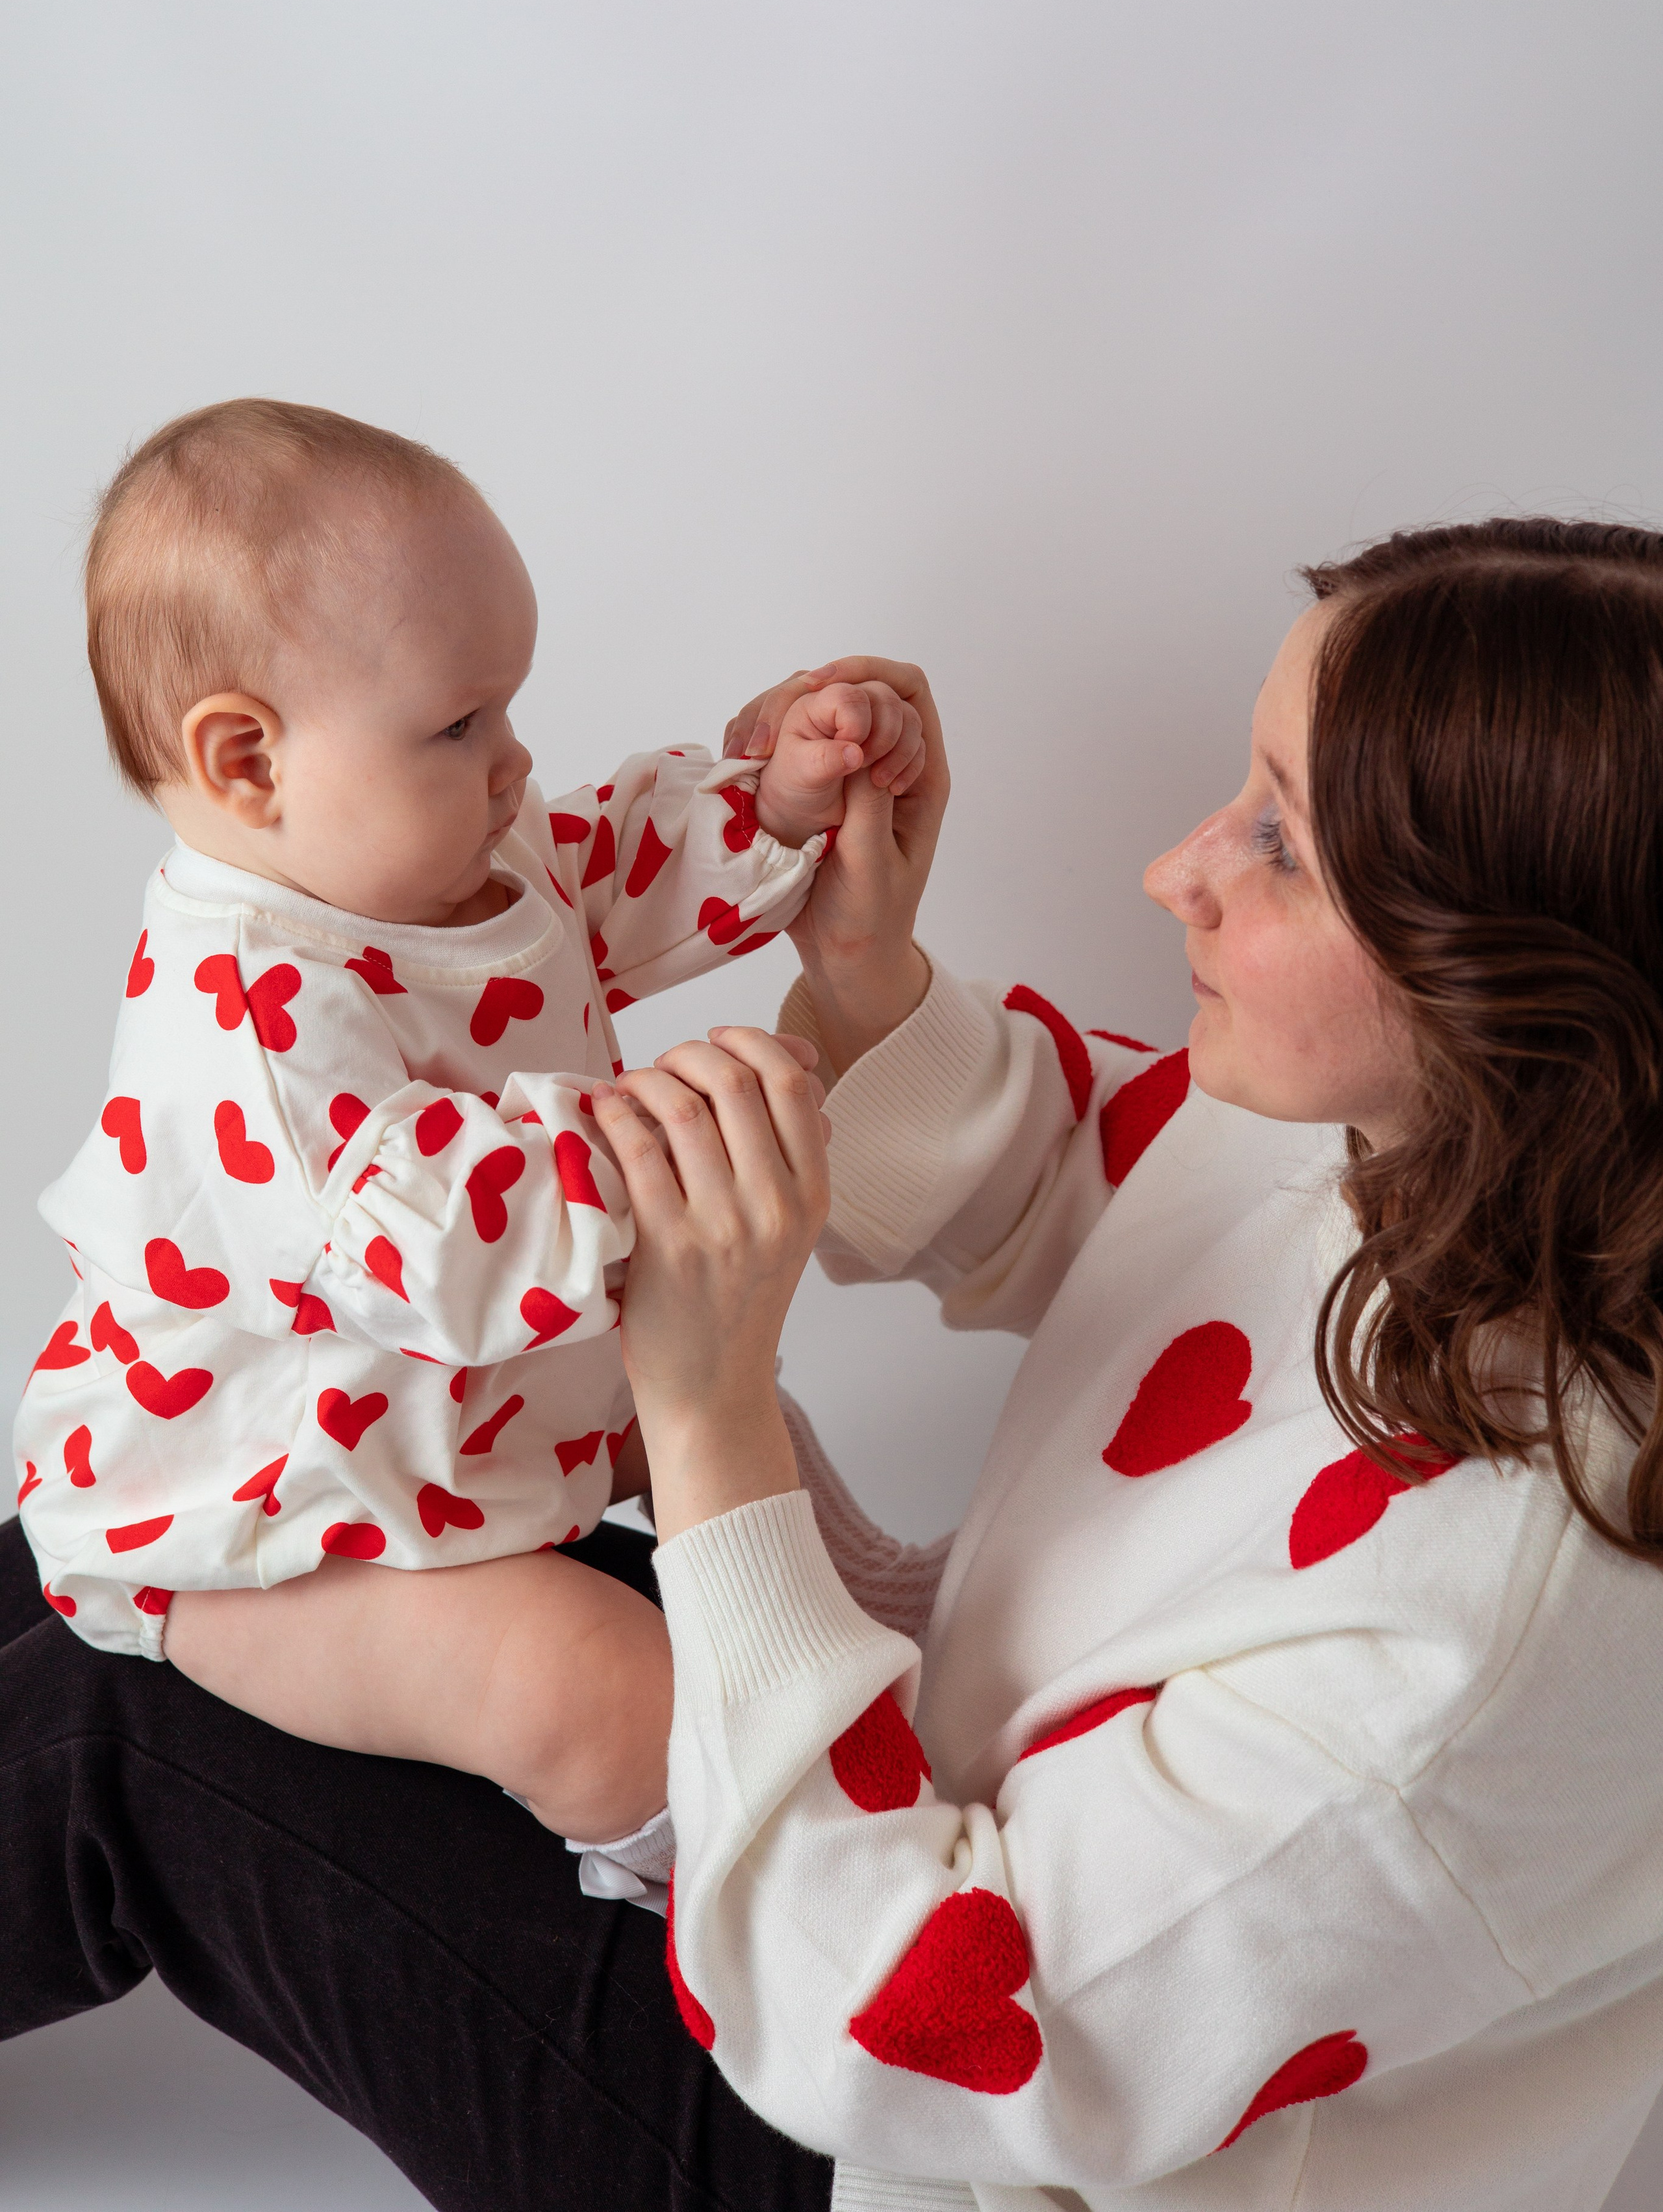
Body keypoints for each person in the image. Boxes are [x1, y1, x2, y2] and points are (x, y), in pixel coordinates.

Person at [8, 520, 1663, 2212]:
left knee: (122, 1705)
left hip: (871, 2128)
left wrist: (713, 1416)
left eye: (1282, 845)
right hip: (888, 1867)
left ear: (1526, 981)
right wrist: (866, 984)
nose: (1180, 871)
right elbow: (1130, 1195)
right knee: (207, 1497)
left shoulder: (1466, 1667)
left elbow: (914, 2035)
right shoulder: (1483, 1154)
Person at [14, 395, 924, 1879]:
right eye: (458, 723)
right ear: (247, 762)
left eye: (504, 708)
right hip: (280, 1516)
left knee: (707, 1429)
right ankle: (771, 1896)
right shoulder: (241, 1022)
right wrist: (656, 1138)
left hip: (460, 1419)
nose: (512, 763)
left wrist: (772, 802)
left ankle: (866, 1610)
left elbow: (593, 877)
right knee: (582, 1689)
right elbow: (426, 1244)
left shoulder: (451, 855)